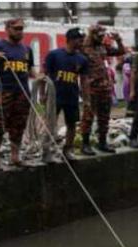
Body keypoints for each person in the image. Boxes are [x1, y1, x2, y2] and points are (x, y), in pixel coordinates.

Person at [0, 18, 35, 170]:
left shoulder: (26, 49)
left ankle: (15, 156)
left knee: (18, 125)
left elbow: (30, 69)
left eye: (21, 29)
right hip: (2, 91)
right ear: (7, 28)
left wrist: (40, 78)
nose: (19, 32)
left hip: (22, 92)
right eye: (16, 29)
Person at [44, 27, 88, 161]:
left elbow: (84, 80)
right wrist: (42, 94)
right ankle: (47, 151)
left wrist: (86, 99)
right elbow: (44, 75)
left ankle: (67, 150)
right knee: (50, 124)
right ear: (70, 40)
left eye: (82, 40)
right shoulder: (54, 55)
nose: (81, 43)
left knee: (72, 124)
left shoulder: (82, 59)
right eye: (79, 40)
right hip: (54, 96)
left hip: (72, 96)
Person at [80, 25, 125, 154]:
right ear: (92, 35)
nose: (101, 38)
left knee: (104, 117)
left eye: (102, 36)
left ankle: (102, 142)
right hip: (91, 88)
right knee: (88, 117)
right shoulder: (84, 48)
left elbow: (120, 52)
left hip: (105, 87)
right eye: (98, 36)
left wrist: (118, 40)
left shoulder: (103, 47)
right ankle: (85, 144)